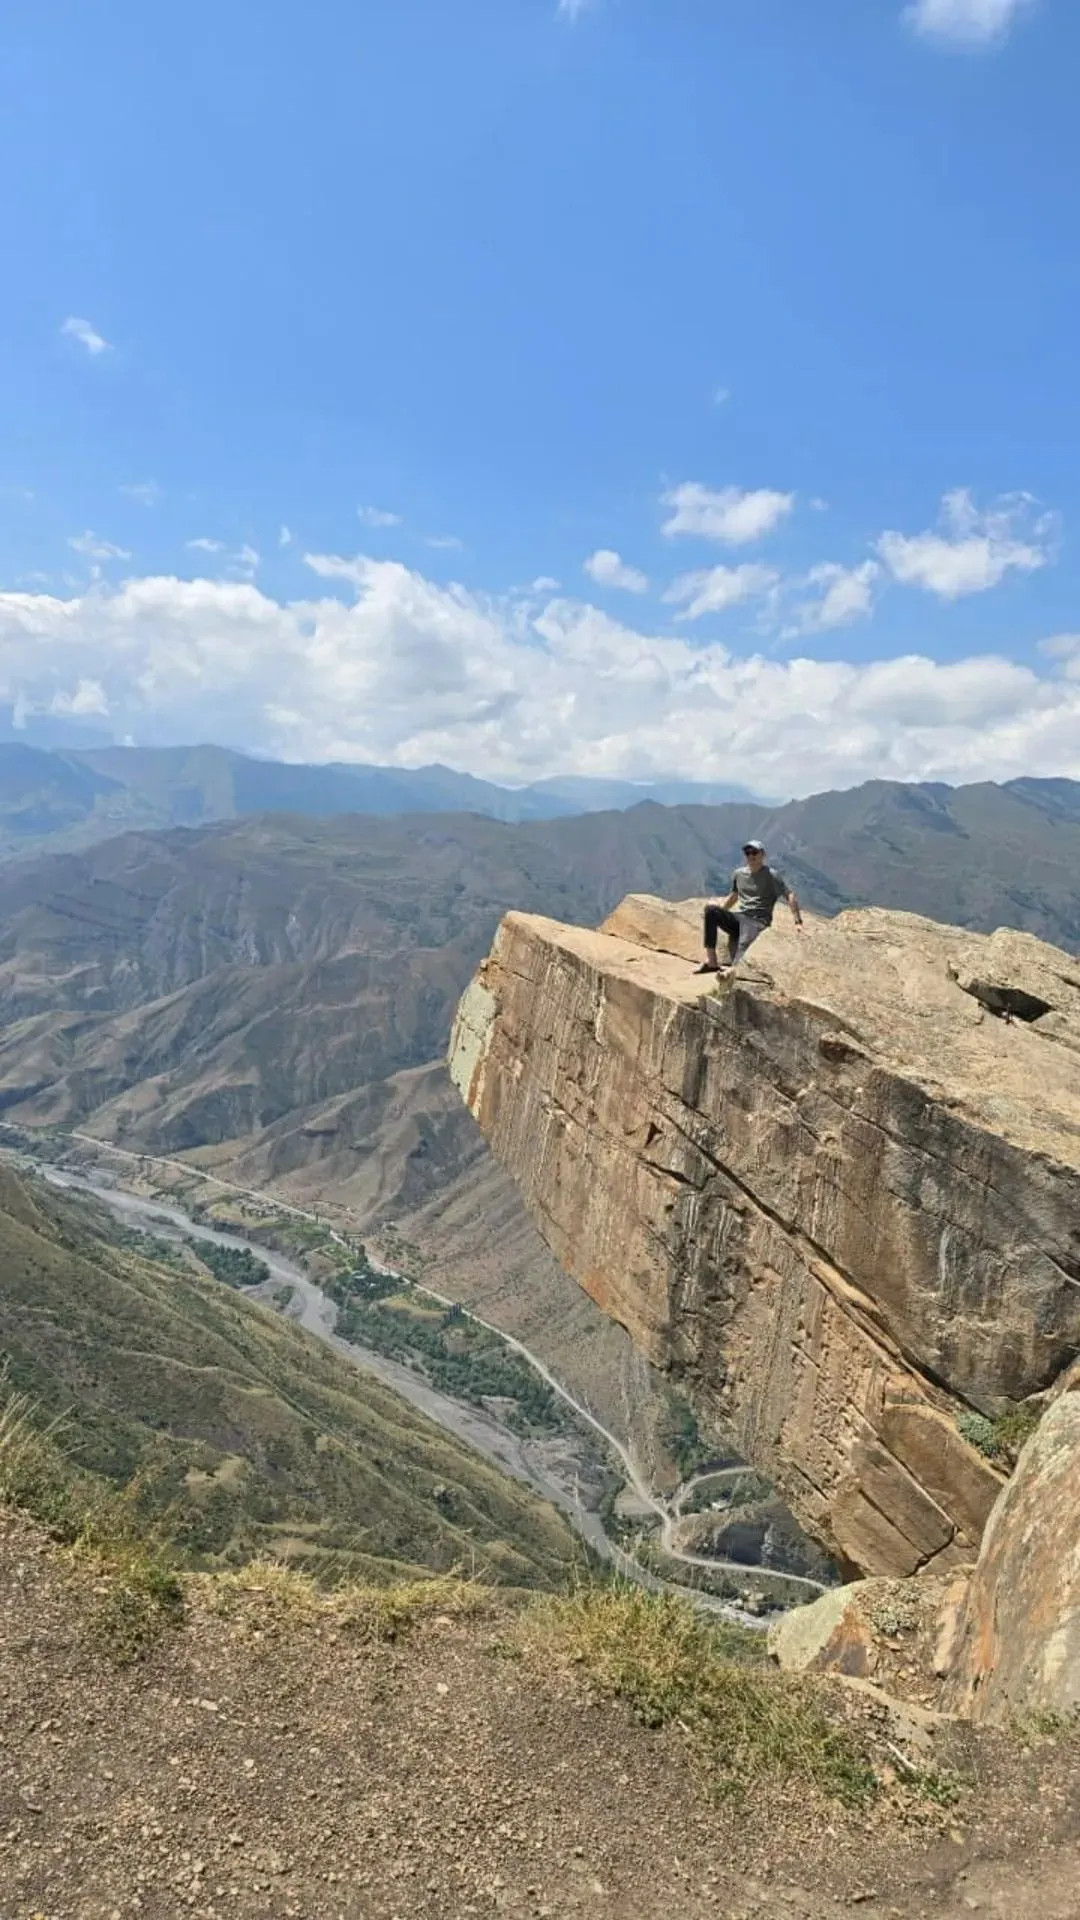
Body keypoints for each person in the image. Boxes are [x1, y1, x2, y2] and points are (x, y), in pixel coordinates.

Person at [695, 840, 804, 973]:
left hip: (758, 921)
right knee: (710, 910)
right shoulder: (739, 874)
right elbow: (734, 895)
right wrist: (720, 911)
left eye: (754, 852)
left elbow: (789, 895)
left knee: (742, 950)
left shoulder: (771, 875)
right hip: (740, 918)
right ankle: (711, 961)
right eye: (748, 853)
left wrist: (798, 921)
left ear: (762, 854)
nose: (751, 856)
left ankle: (733, 973)